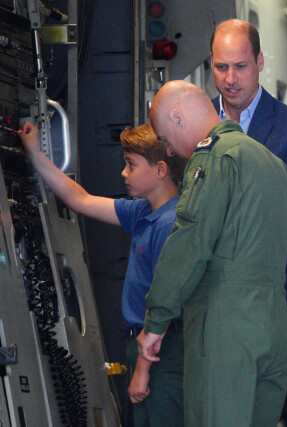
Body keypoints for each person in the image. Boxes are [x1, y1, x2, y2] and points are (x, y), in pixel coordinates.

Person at [137, 80, 287, 426]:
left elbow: (189, 243)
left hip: (228, 330)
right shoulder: (272, 164)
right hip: (275, 326)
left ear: (177, 118)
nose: (167, 151)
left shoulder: (214, 157)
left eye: (163, 139)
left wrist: (156, 322)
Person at [19, 121, 186, 427]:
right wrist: (35, 154)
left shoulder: (168, 224)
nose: (124, 173)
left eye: (131, 165)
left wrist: (142, 371)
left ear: (161, 170)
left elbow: (162, 300)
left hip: (162, 353)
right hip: (144, 349)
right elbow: (79, 199)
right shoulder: (142, 213)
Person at [210, 18, 287, 327]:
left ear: (259, 62)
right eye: (221, 67)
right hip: (205, 300)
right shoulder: (197, 125)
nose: (230, 78)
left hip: (271, 298)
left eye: (240, 66)